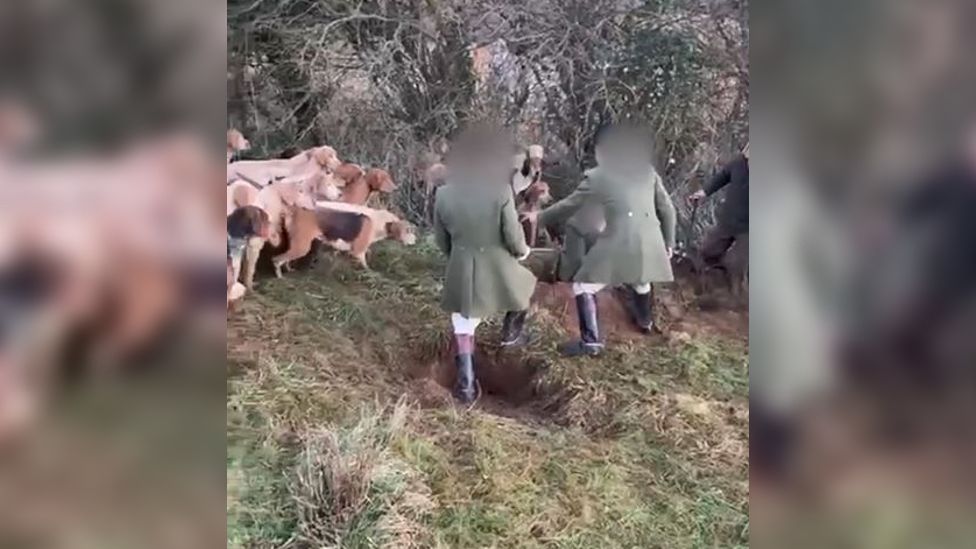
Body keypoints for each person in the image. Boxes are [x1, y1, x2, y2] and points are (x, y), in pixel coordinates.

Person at [524, 123, 677, 354]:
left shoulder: (598, 176)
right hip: (649, 241)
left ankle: (591, 342)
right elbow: (668, 210)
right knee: (641, 281)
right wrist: (669, 242)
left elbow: (570, 205)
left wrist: (539, 217)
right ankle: (645, 322)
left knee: (582, 286)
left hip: (619, 241)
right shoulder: (646, 171)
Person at [433, 126, 537, 404]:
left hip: (462, 267)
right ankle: (511, 335)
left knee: (463, 324)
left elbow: (442, 242)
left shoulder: (443, 195)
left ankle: (466, 387)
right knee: (525, 287)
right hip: (497, 264)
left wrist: (459, 258)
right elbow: (513, 235)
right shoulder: (501, 191)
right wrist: (522, 252)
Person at [689, 143, 749, 275]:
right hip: (728, 220)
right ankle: (705, 287)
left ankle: (735, 293)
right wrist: (704, 192)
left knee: (735, 266)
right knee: (706, 252)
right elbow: (723, 176)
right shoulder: (739, 163)